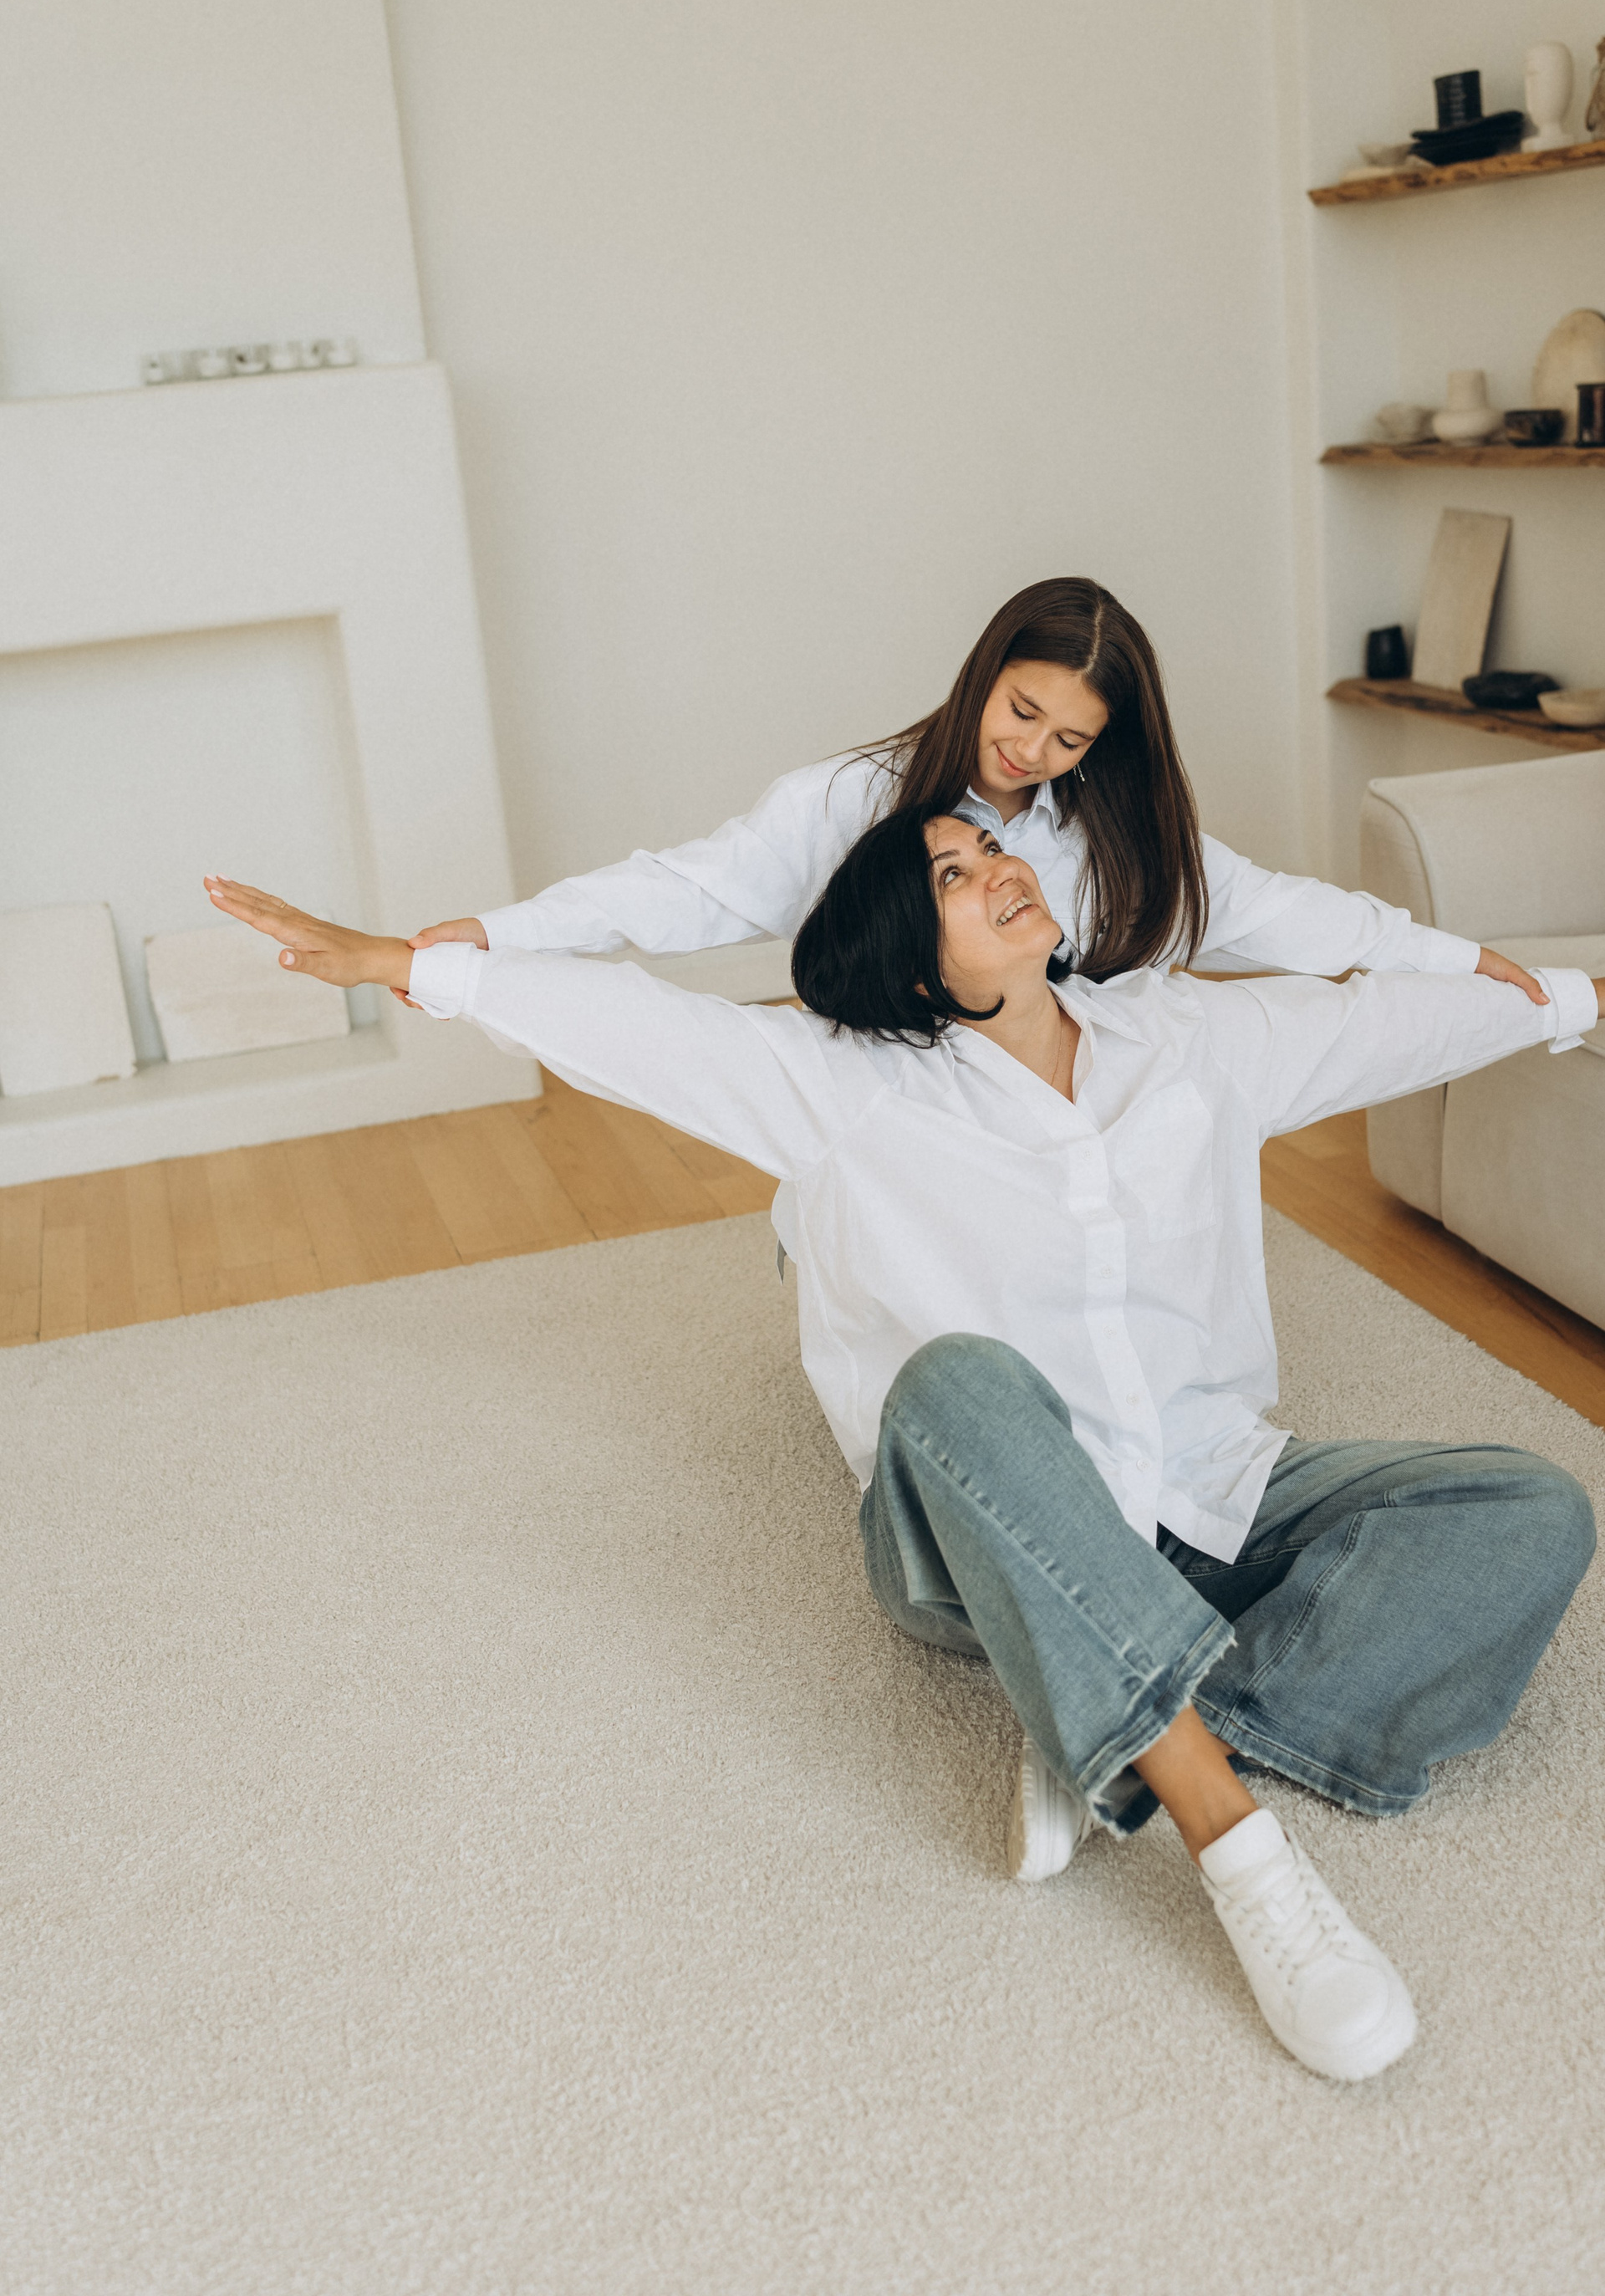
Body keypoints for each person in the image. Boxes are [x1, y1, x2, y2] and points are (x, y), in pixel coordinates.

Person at [202, 828, 1598, 2084]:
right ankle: (1238, 1849)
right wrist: (414, 966)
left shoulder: (1187, 1036)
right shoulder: (844, 1089)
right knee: (957, 1379)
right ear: (912, 960)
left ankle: (1105, 1723)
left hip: (1214, 1483)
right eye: (952, 876)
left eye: (991, 852)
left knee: (1527, 1508)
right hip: (977, 1526)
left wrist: (1577, 1000)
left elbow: (1379, 1025)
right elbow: (641, 1028)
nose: (1002, 868)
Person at [400, 575, 1545, 1004]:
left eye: (1071, 739)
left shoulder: (1116, 834)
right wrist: (500, 935)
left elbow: (1269, 907)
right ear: (985, 674)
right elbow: (681, 890)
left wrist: (1449, 958)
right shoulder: (847, 800)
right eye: (1022, 711)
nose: (1033, 750)